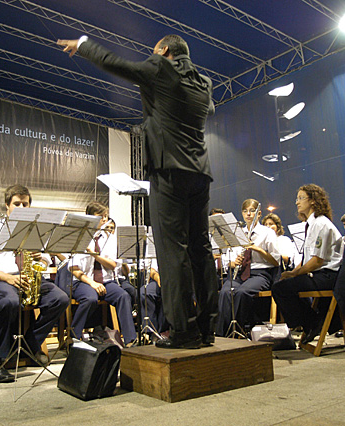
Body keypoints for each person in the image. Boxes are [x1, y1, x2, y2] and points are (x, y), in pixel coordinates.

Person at [58, 34, 218, 349]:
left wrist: (84, 44)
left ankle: (184, 332)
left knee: (173, 252)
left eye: (153, 51)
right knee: (200, 250)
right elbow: (208, 109)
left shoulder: (161, 67)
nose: (150, 56)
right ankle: (207, 327)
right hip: (199, 172)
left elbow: (116, 64)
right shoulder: (204, 81)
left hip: (169, 170)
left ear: (165, 51)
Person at [0, 185, 69, 379]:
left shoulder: (36, 228)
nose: (21, 207)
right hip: (3, 278)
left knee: (60, 298)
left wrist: (42, 258)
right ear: (7, 205)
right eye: (17, 203)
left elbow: (48, 259)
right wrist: (9, 278)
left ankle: (30, 344)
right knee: (8, 302)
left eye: (25, 203)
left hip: (30, 276)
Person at [271, 184, 342, 346]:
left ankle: (311, 322)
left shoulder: (321, 224)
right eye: (297, 199)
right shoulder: (310, 225)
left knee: (281, 289)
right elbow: (306, 258)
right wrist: (294, 272)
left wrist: (295, 274)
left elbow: (318, 260)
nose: (297, 202)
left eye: (301, 198)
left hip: (329, 276)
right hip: (319, 274)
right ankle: (311, 321)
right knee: (282, 284)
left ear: (313, 201)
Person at [68, 202, 137, 345]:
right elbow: (74, 268)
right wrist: (92, 283)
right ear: (90, 217)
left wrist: (94, 255)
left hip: (106, 281)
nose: (105, 220)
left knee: (123, 295)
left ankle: (130, 340)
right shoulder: (80, 236)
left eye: (105, 216)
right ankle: (73, 337)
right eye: (101, 217)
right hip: (84, 281)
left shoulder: (109, 239)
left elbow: (112, 264)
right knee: (90, 298)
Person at [216, 199, 281, 336]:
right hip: (240, 273)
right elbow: (230, 260)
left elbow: (276, 261)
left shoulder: (267, 232)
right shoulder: (238, 233)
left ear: (259, 214)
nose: (248, 214)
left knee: (242, 292)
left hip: (260, 273)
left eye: (252, 211)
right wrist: (234, 262)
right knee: (225, 292)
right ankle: (223, 333)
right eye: (245, 211)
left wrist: (256, 249)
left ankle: (239, 330)